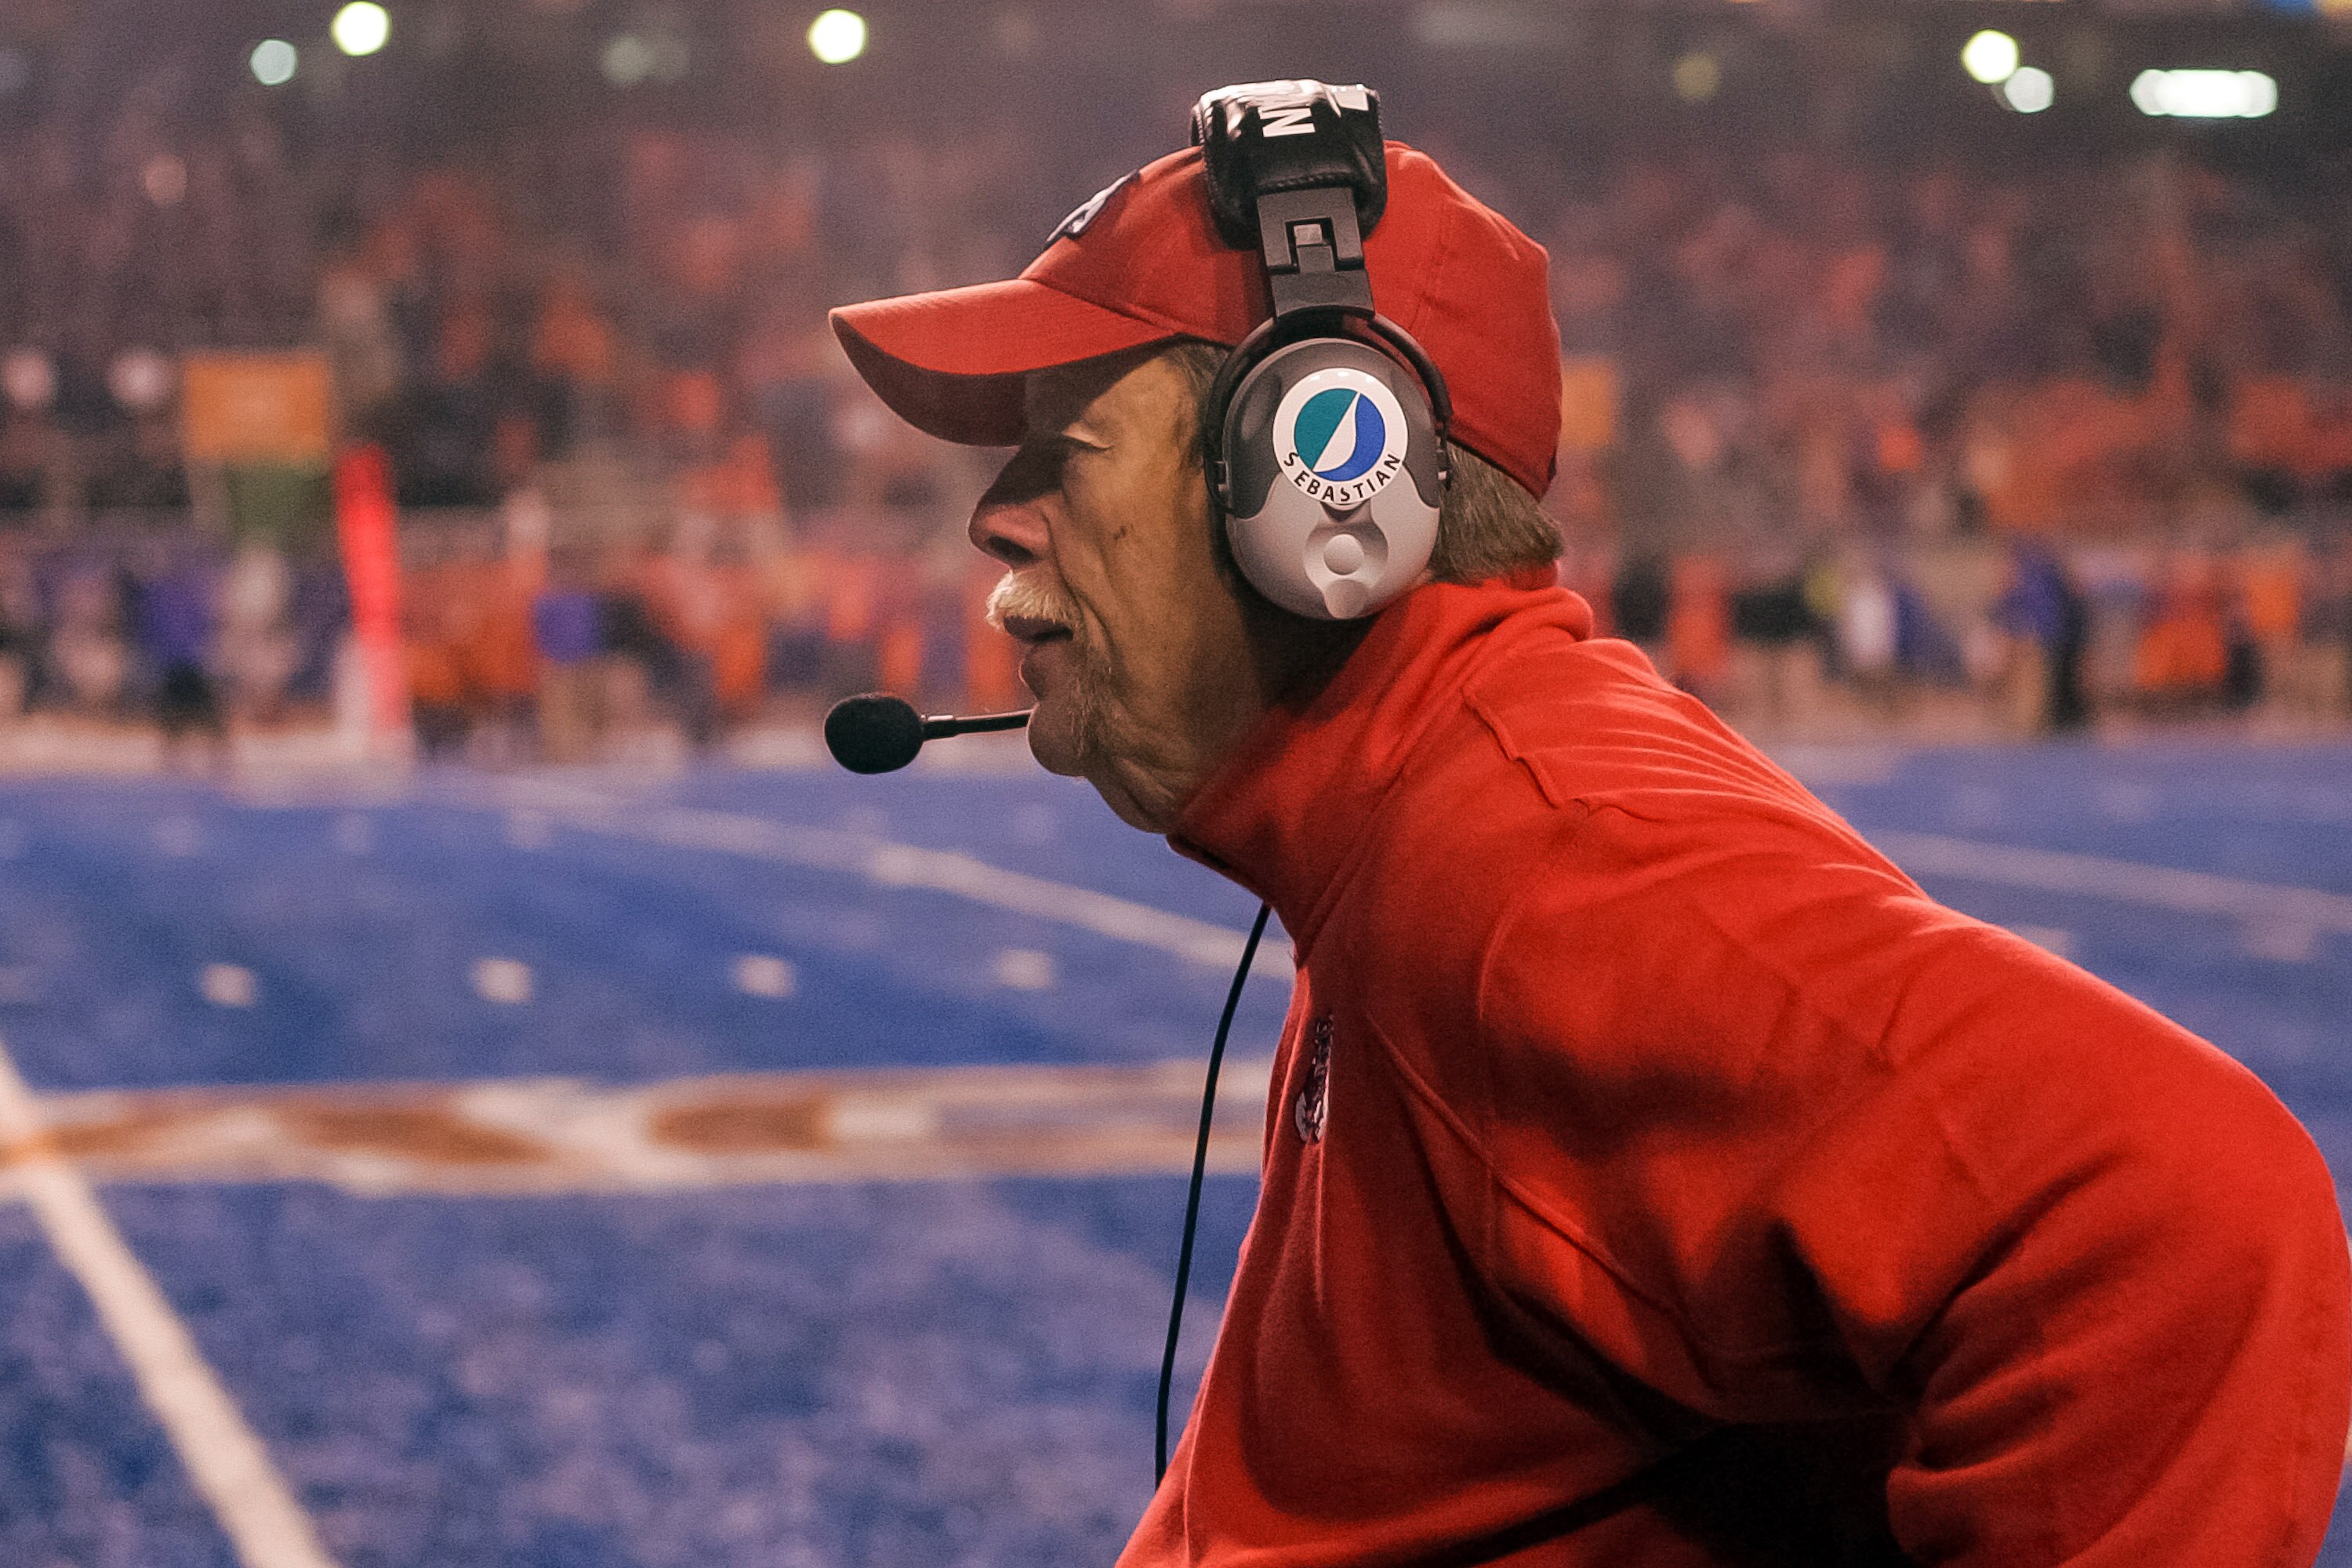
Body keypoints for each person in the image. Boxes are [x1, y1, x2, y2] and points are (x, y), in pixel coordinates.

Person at [829, 84, 2350, 1566]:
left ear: (1314, 490)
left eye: (1066, 448)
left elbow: (2195, 1217)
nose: (995, 512)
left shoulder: (1527, 862)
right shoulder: (1413, 806)